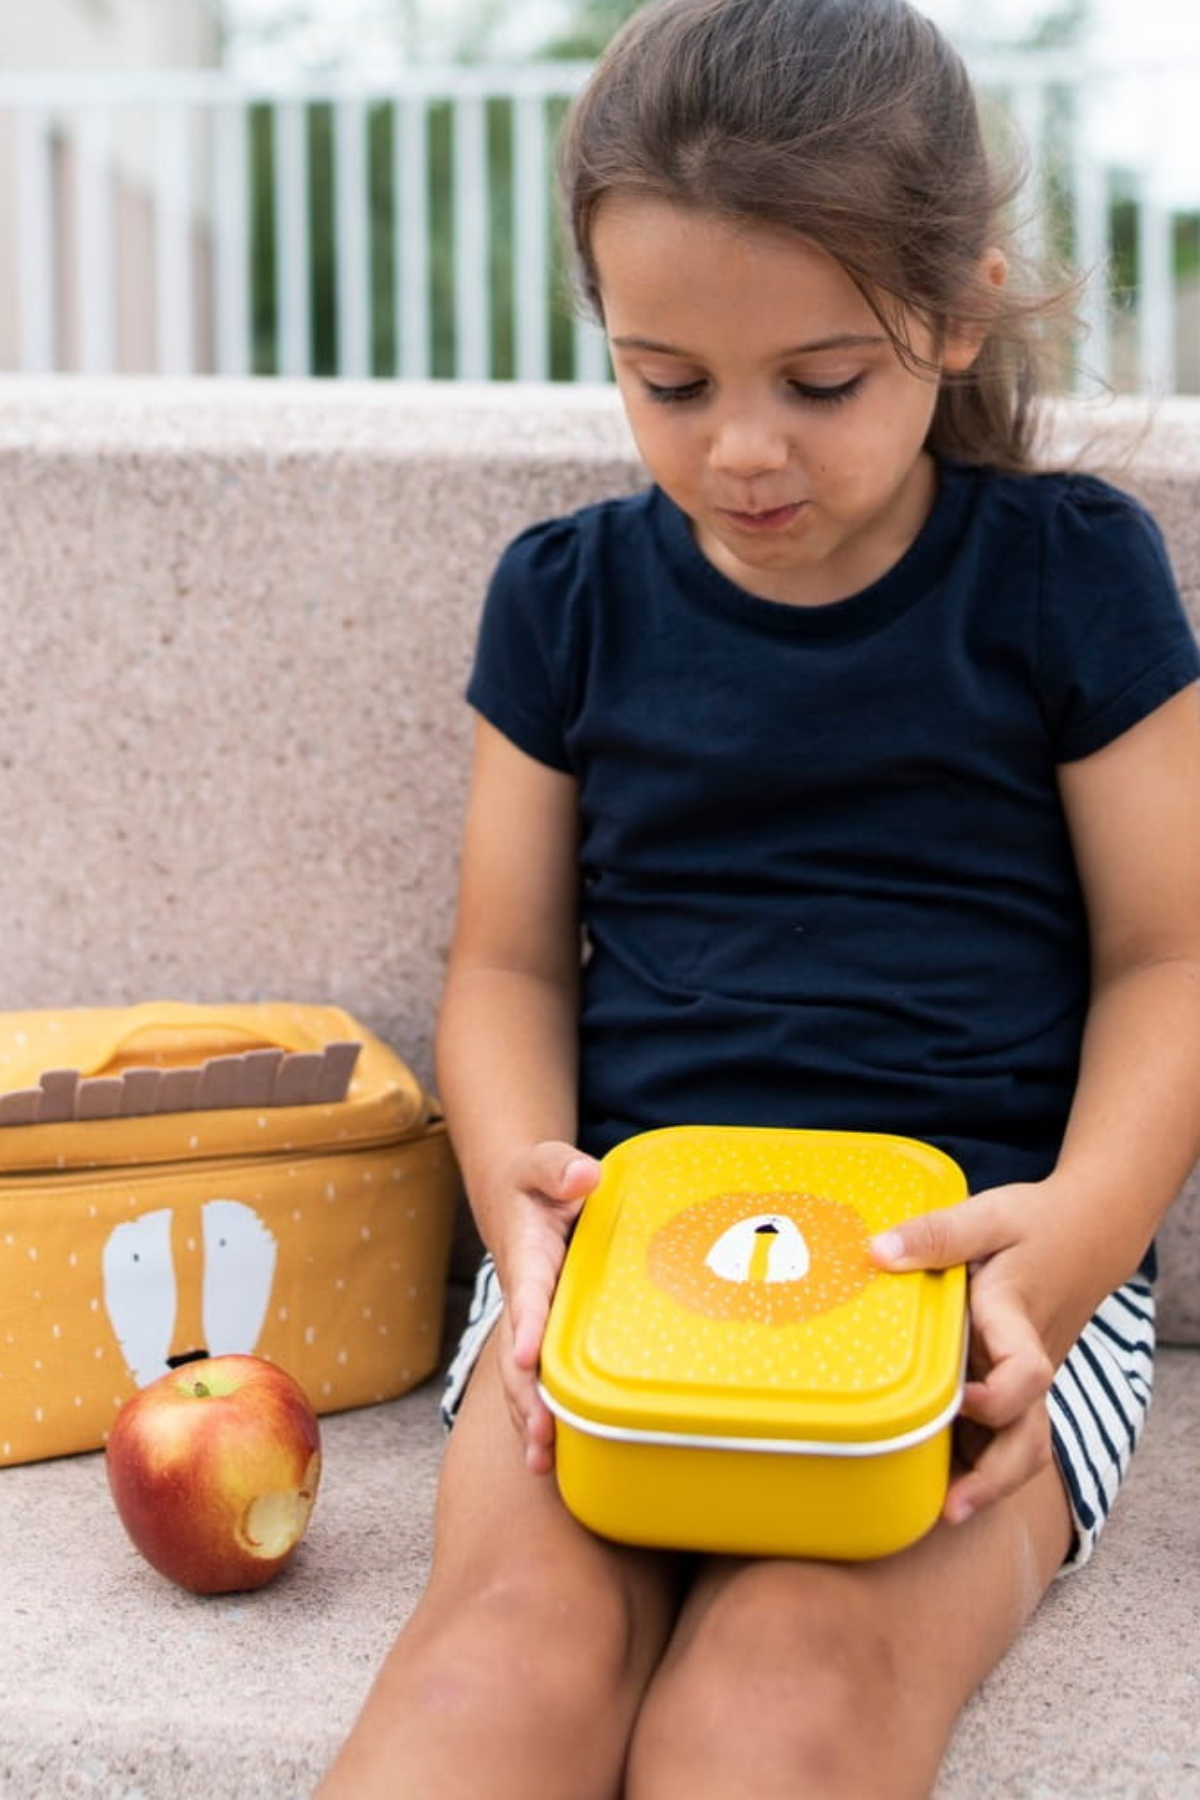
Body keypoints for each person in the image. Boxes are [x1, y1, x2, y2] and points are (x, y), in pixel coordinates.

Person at [317, 1, 1200, 1794]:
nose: (740, 451)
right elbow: (507, 969)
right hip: (617, 1267)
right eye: (671, 383)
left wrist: (1069, 1251)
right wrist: (520, 1216)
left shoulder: (1069, 579)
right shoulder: (567, 598)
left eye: (820, 383)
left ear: (956, 312)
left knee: (784, 1693)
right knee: (499, 1665)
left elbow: (1172, 958)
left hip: (977, 1282)